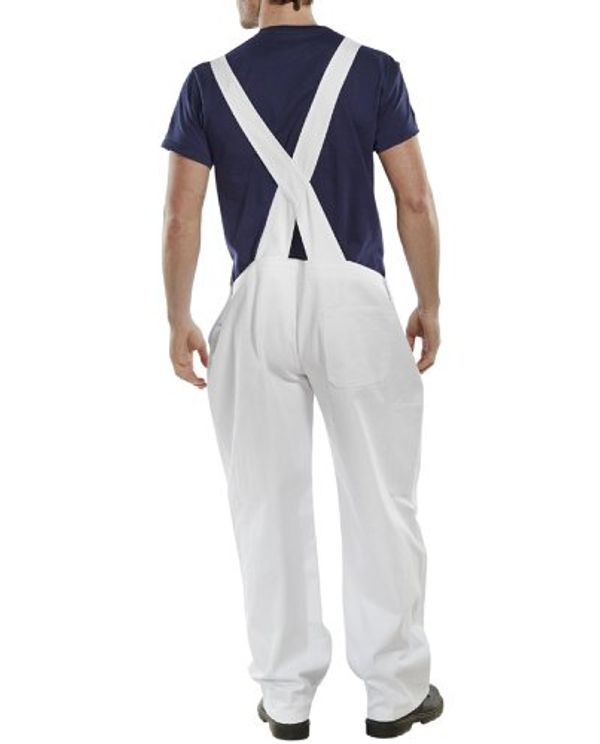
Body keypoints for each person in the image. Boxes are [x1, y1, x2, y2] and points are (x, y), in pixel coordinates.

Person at [160, 0, 442, 739]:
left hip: (255, 308)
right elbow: (413, 198)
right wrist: (430, 302)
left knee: (266, 504)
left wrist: (178, 316)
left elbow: (181, 216)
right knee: (381, 496)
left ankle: (286, 698)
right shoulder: (372, 71)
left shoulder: (207, 83)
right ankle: (394, 692)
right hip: (355, 306)